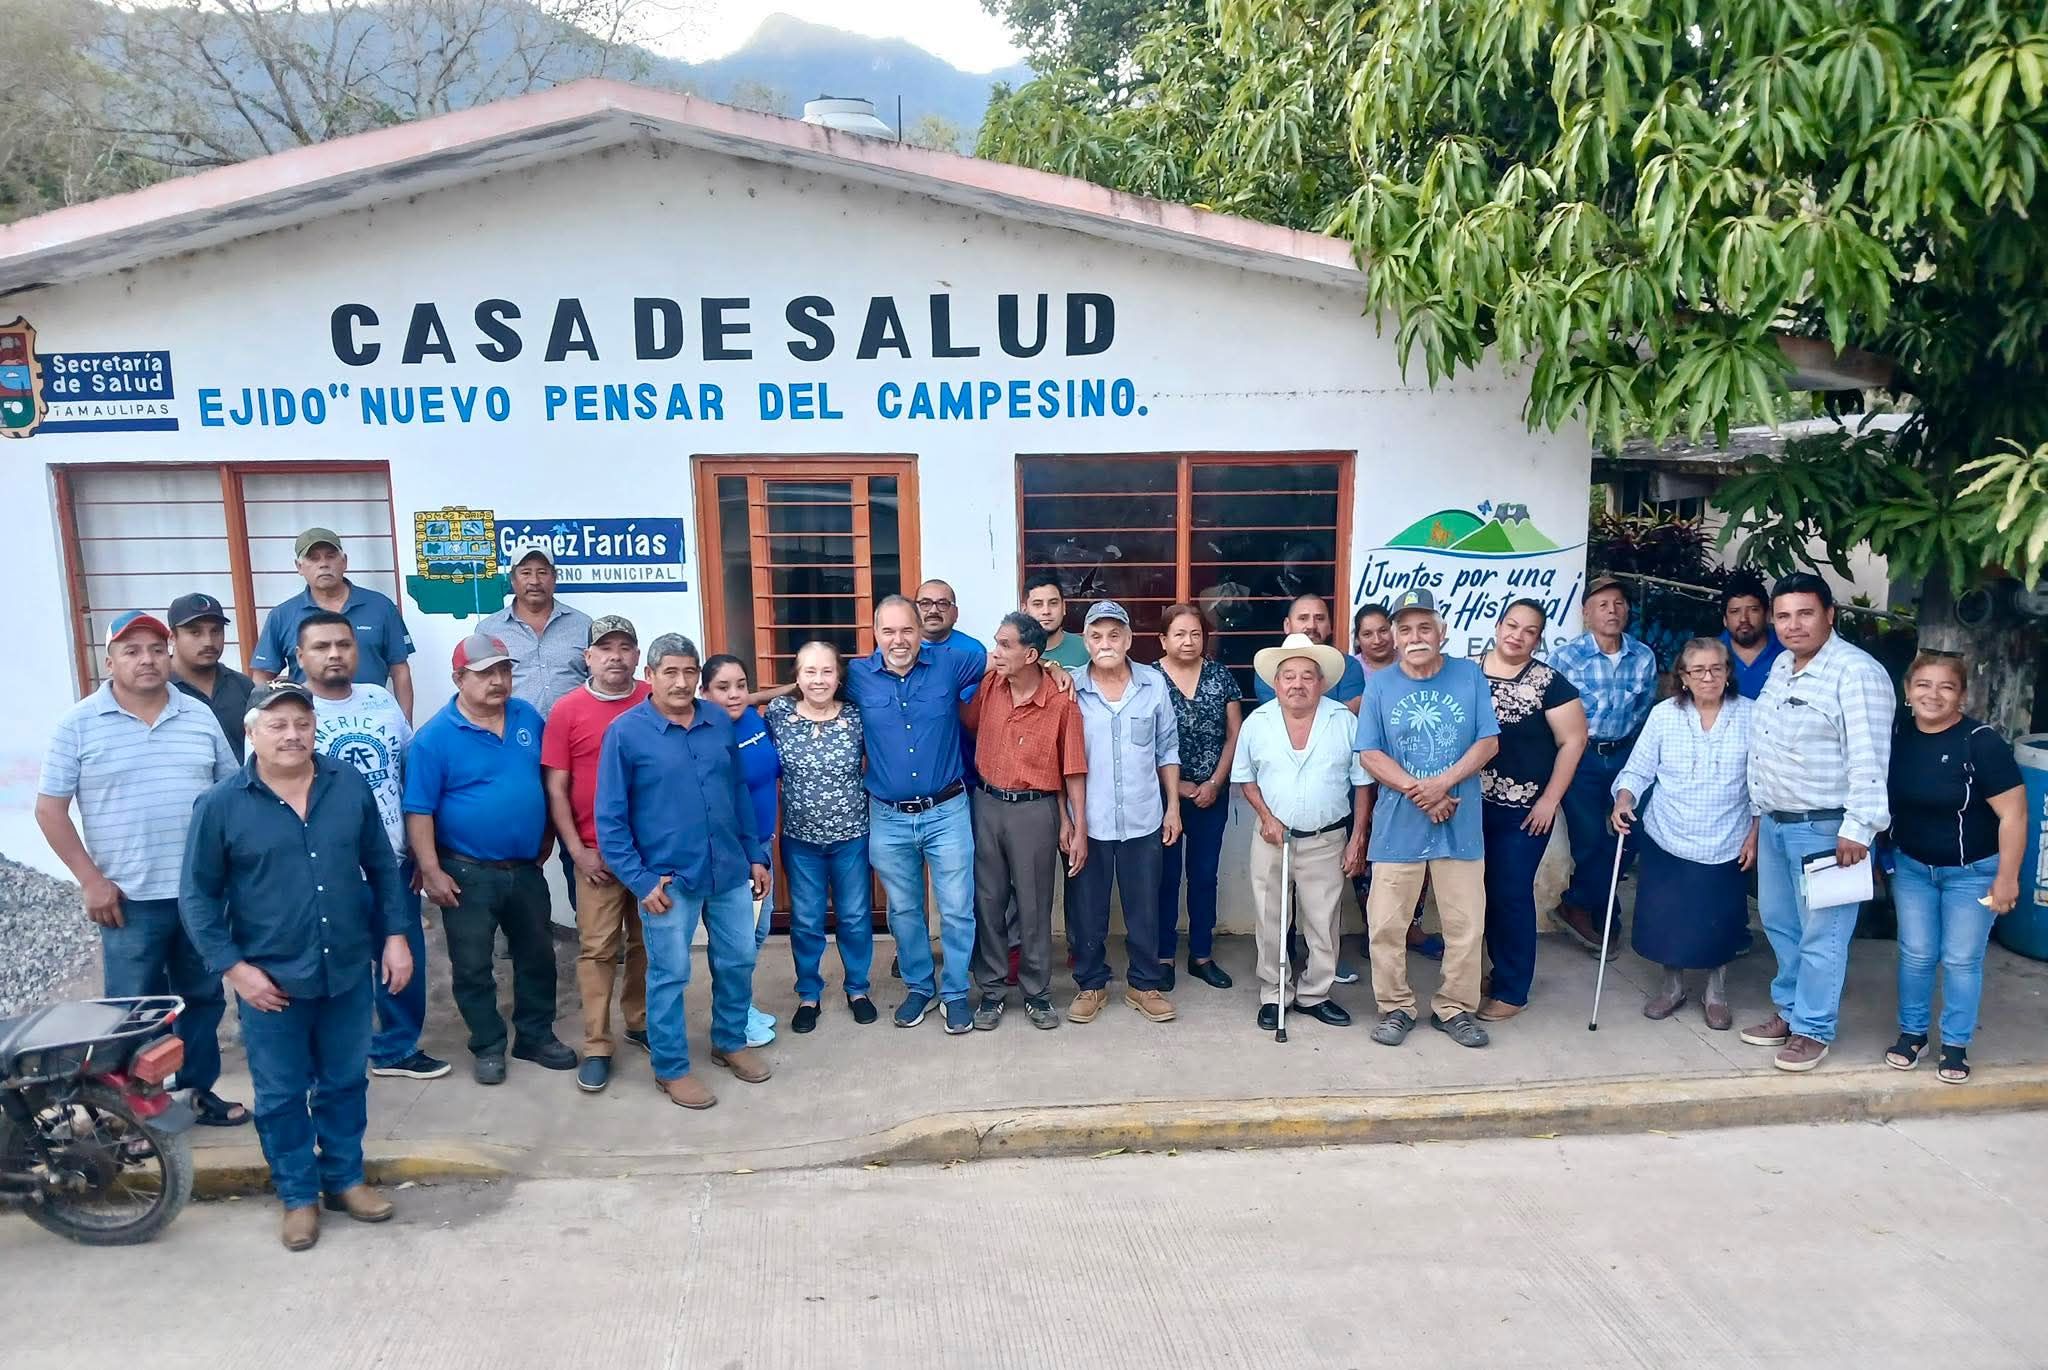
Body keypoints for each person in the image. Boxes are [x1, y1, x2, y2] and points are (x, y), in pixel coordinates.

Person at [180, 681, 414, 1251]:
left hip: (347, 969)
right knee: (281, 1094)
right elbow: (198, 898)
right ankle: (298, 1196)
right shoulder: (221, 805)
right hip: (270, 981)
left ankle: (345, 1180)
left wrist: (395, 938)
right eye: (278, 724)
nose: (292, 735)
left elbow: (382, 866)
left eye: (302, 723)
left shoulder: (347, 785)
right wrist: (235, 970)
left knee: (344, 1082)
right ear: (251, 733)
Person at [35, 610, 247, 1128]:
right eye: (131, 651)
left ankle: (197, 1092)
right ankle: (134, 1113)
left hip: (198, 894)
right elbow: (49, 810)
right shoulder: (78, 723)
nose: (146, 660)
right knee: (132, 1012)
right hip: (127, 900)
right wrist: (91, 881)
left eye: (155, 649)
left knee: (201, 999)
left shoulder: (198, 716)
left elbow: (232, 797)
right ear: (109, 662)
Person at [596, 633, 772, 1109]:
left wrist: (755, 854)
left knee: (738, 960)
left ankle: (729, 1041)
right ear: (649, 676)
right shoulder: (626, 733)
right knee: (670, 974)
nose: (680, 682)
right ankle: (671, 1068)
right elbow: (610, 818)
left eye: (689, 672)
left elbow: (738, 791)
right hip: (668, 880)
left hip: (729, 870)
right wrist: (640, 880)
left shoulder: (717, 721)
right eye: (669, 672)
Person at [402, 632, 573, 1085]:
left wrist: (547, 834)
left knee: (537, 955)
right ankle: (488, 1044)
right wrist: (431, 869)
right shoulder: (434, 738)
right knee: (474, 964)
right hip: (466, 870)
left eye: (504, 670)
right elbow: (418, 810)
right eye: (485, 673)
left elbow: (547, 780)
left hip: (525, 867)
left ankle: (535, 1036)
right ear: (459, 678)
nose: (498, 681)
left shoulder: (526, 716)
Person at [1744, 572, 1895, 1072]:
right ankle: (1790, 1011)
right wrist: (1759, 813)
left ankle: (1813, 1028)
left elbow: (1870, 756)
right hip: (1777, 821)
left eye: (1805, 613)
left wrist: (1860, 828)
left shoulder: (1856, 672)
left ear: (1830, 614)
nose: (1793, 625)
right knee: (1780, 924)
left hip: (1829, 828)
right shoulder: (1782, 665)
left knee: (1823, 935)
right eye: (1783, 616)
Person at [299, 610, 447, 1082]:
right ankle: (332, 1054)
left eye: (343, 644)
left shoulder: (380, 699)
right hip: (325, 869)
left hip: (391, 861)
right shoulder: (289, 712)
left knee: (402, 957)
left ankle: (396, 1048)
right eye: (321, 646)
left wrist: (421, 849)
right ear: (300, 656)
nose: (334, 654)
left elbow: (408, 773)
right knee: (333, 965)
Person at [1357, 589, 1500, 1049]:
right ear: (1395, 637)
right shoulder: (1381, 684)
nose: (1415, 637)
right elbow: (1369, 753)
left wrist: (1444, 783)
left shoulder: (1469, 675)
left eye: (1424, 628)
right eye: (1405, 629)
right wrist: (1422, 791)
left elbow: (1488, 742)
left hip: (1460, 823)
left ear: (1442, 632)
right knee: (1385, 924)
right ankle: (1395, 1007)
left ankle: (1454, 1008)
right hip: (1398, 826)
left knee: (1465, 925)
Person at [846, 595, 988, 1033]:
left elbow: (1011, 662)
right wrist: (746, 699)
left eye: (907, 630)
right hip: (888, 817)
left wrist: (1054, 669)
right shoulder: (856, 676)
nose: (898, 640)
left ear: (920, 631)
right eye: (888, 631)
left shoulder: (952, 664)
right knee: (904, 911)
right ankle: (919, 987)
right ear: (875, 633)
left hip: (947, 810)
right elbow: (806, 686)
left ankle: (956, 992)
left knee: (957, 908)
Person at [1882, 651, 2024, 1084]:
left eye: (1946, 687)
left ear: (1962, 695)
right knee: (1916, 953)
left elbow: (2014, 814)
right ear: (1908, 691)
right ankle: (1912, 1035)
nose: (1933, 695)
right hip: (1912, 868)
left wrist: (2007, 879)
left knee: (1961, 959)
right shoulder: (1896, 733)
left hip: (1972, 872)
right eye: (1923, 684)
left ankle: (1955, 1045)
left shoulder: (1980, 742)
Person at [1610, 638, 1756, 1030]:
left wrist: (1756, 832)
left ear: (1728, 674)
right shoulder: (1664, 715)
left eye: (1716, 668)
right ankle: (1672, 988)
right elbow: (1638, 769)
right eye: (1698, 670)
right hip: (1669, 832)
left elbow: (1763, 783)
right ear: (1684, 677)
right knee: (1669, 920)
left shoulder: (1752, 715)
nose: (1708, 677)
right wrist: (1623, 800)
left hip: (1727, 836)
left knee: (1719, 921)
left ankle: (1715, 993)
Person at [1231, 633, 1370, 1028]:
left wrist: (1358, 837)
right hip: (1271, 839)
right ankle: (1274, 994)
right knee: (1270, 919)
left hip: (1326, 839)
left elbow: (1362, 783)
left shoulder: (1343, 721)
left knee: (1323, 922)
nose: (1297, 684)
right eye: (1288, 676)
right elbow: (1246, 779)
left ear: (1321, 682)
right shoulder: (1257, 723)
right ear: (1276, 683)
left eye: (1307, 676)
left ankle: (1314, 994)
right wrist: (1267, 817)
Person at [540, 615, 653, 1094]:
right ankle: (597, 1044)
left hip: (650, 856)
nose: (615, 656)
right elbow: (556, 788)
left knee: (647, 945)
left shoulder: (653, 698)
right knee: (597, 949)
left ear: (637, 656)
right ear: (588, 657)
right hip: (596, 858)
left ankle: (639, 1021)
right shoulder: (567, 710)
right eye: (605, 648)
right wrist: (577, 851)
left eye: (625, 647)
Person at [962, 612, 1088, 1031]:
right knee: (988, 902)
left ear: (1030, 654)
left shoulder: (1061, 701)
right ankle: (992, 991)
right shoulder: (990, 685)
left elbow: (1073, 767)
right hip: (987, 804)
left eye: (1005, 645)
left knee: (1034, 905)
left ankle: (1037, 993)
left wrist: (1077, 824)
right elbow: (969, 722)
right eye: (996, 643)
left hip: (1036, 810)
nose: (996, 652)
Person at [1068, 601, 1183, 1024]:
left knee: (1144, 908)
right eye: (1096, 636)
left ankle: (1144, 984)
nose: (1106, 644)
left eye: (1114, 635)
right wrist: (1068, 821)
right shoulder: (1069, 687)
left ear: (1129, 639)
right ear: (1086, 642)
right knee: (1087, 911)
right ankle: (1090, 985)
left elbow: (1167, 748)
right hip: (1090, 822)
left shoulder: (1153, 684)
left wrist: (1173, 807)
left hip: (1143, 817)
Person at [1476, 598, 1587, 1021]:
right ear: (1498, 626)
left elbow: (1574, 740)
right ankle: (1494, 971)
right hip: (1470, 808)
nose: (1517, 635)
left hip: (1524, 813)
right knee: (1479, 894)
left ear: (1538, 639)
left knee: (1511, 894)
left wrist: (1549, 800)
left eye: (1529, 631)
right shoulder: (1469, 673)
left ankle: (1513, 989)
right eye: (1512, 625)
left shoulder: (1549, 683)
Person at [763, 641, 878, 1034]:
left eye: (827, 671)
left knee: (855, 917)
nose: (818, 680)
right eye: (809, 671)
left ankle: (857, 989)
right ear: (796, 677)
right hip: (800, 840)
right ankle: (808, 994)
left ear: (839, 676)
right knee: (807, 920)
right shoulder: (779, 713)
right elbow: (740, 707)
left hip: (852, 836)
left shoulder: (856, 716)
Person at [1548, 576, 1659, 956]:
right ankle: (1603, 911)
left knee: (1631, 835)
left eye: (1619, 604)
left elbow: (1643, 709)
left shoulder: (1642, 656)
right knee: (1590, 839)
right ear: (1586, 613)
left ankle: (1577, 903)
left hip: (1625, 755)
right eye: (1603, 605)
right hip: (1580, 758)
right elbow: (1550, 712)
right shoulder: (1565, 658)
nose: (1612, 611)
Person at [1155, 603, 1242, 990]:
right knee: (1165, 877)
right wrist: (1176, 788)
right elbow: (1143, 742)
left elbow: (1235, 733)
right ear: (1163, 639)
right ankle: (1162, 956)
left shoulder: (1220, 676)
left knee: (1204, 876)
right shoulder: (1149, 679)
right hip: (1163, 797)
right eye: (1179, 634)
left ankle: (1201, 955)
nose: (1188, 641)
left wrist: (1215, 783)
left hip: (1211, 795)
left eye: (1195, 634)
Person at [702, 654, 783, 1048]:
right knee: (737, 941)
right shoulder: (705, 731)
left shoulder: (753, 719)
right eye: (723, 687)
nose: (734, 694)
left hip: (762, 844)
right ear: (704, 693)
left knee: (758, 930)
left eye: (741, 685)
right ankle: (734, 1017)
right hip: (732, 852)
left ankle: (741, 1004)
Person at [251, 526, 415, 717]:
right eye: (313, 558)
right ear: (299, 567)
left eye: (330, 556)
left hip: (373, 719)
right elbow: (262, 676)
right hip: (310, 722)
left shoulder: (380, 606)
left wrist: (405, 724)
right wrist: (270, 722)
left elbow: (400, 670)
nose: (323, 564)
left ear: (344, 561)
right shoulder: (282, 615)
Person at [481, 546, 593, 717]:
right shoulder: (489, 630)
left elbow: (597, 682)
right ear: (512, 579)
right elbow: (483, 689)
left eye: (542, 572)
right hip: (515, 729)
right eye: (526, 573)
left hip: (575, 727)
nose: (534, 581)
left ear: (554, 577)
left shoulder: (583, 624)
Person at [167, 592, 255, 760]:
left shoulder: (243, 686)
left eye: (216, 631)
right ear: (172, 637)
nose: (208, 641)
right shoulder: (159, 689)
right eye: (195, 632)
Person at [1252, 594, 1367, 713]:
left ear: (1329, 626)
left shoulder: (1348, 665)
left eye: (1320, 618)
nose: (1312, 625)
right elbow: (1280, 713)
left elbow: (1345, 715)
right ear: (1287, 625)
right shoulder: (1269, 667)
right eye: (1303, 618)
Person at [1720, 571, 1784, 699]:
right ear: (1725, 620)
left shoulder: (1787, 650)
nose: (1744, 619)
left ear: (1767, 615)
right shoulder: (1711, 654)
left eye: (1753, 610)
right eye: (1735, 611)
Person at [1022, 572, 1092, 670]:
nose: (1046, 611)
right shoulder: (1014, 652)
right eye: (1037, 604)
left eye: (1053, 603)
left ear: (1063, 607)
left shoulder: (1087, 649)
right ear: (1024, 610)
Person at [1352, 603, 1395, 677]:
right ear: (1357, 639)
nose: (1377, 641)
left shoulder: (1410, 662)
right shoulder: (1350, 669)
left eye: (1383, 631)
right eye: (1367, 634)